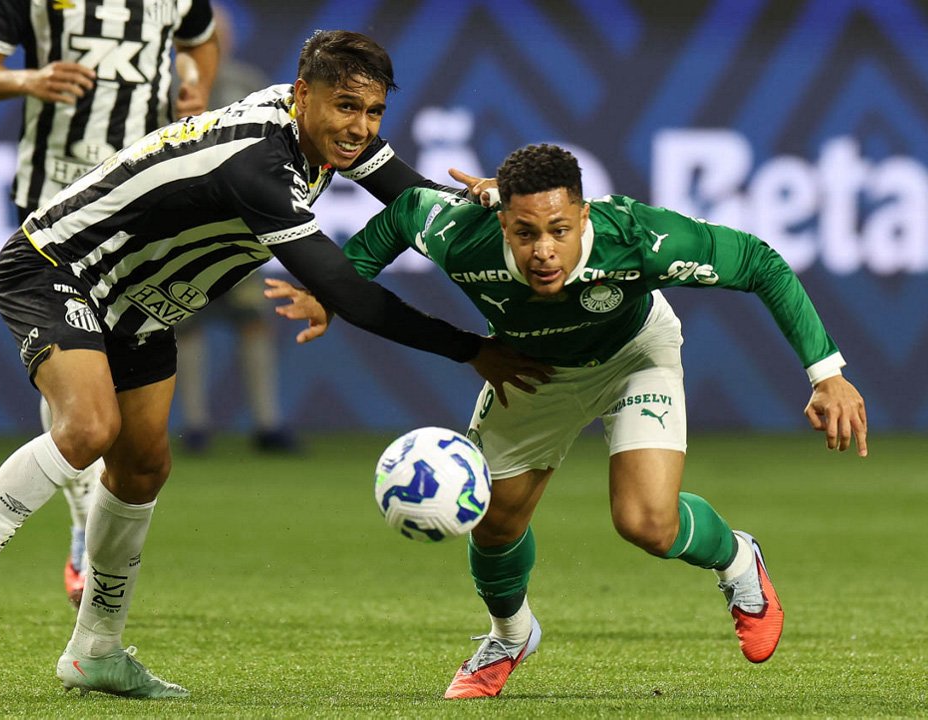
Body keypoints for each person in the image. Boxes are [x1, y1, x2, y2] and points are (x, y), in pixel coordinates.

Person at [0, 30, 551, 699]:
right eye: (347, 107)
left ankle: (95, 651)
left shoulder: (323, 136)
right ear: (303, 95)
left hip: (142, 305)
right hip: (59, 266)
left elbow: (411, 197)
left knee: (143, 467)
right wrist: (472, 350)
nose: (360, 127)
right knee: (89, 428)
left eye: (374, 111)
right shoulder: (258, 163)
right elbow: (347, 291)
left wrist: (497, 203)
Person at [265, 143, 868, 699]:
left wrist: (827, 374)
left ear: (584, 216)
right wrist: (334, 288)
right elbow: (401, 215)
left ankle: (738, 561)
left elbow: (759, 262)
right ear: (503, 223)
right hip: (532, 370)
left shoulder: (638, 238)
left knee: (646, 523)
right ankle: (510, 634)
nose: (543, 251)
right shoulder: (461, 233)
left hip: (634, 356)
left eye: (559, 230)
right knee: (492, 522)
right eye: (525, 233)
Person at [0, 0, 221, 610]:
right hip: (54, 197)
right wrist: (29, 79)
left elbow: (201, 41)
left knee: (114, 370)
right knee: (74, 359)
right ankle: (85, 512)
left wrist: (197, 88)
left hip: (143, 201)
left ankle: (90, 518)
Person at [173, 6, 299, 454]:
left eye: (218, 36)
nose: (214, 43)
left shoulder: (248, 83)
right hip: (182, 231)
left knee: (254, 321)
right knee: (184, 323)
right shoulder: (168, 88)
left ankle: (267, 423)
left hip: (238, 228)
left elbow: (275, 147)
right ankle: (195, 426)